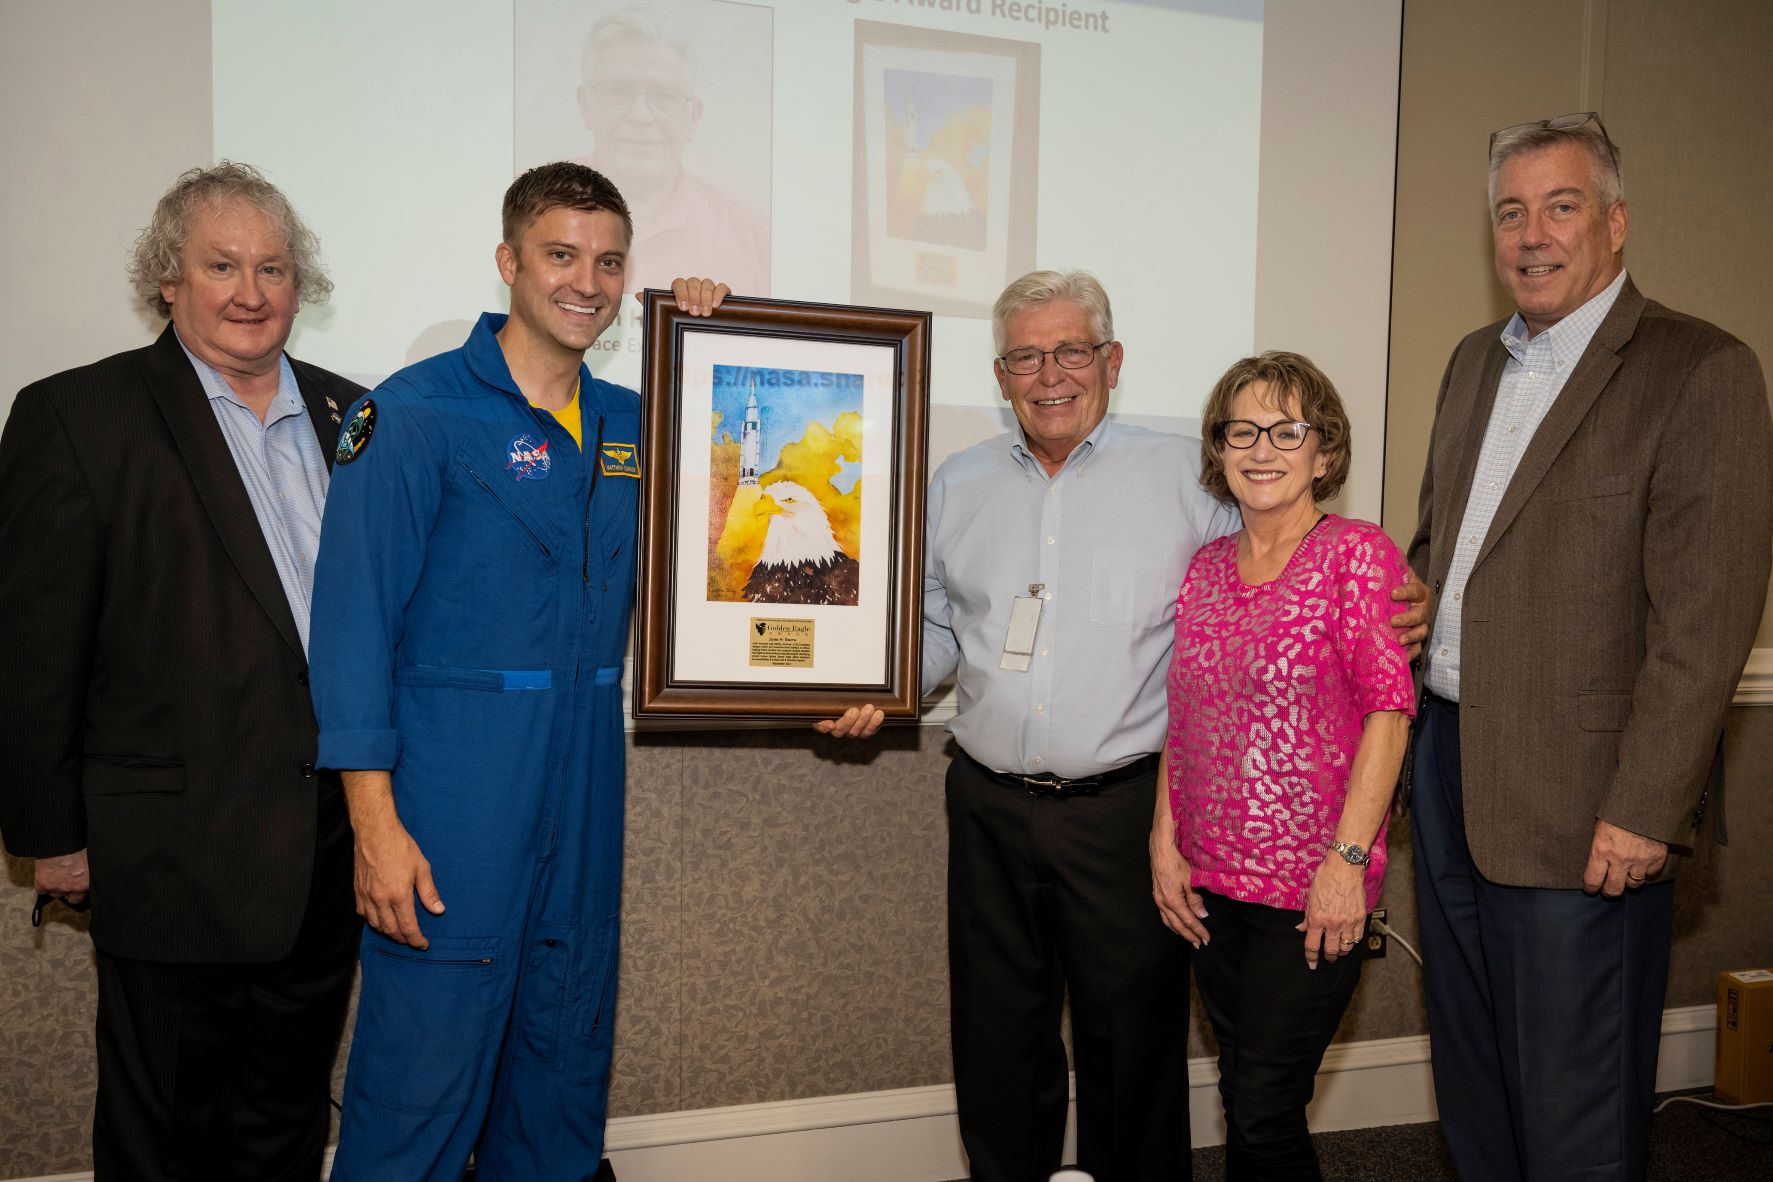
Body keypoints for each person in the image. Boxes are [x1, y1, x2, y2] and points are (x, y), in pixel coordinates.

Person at [822, 271, 1431, 1182]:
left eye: (1071, 350)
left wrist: (1398, 599)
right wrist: (885, 685)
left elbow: (1293, 547)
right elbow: (940, 624)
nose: (1050, 374)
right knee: (997, 1033)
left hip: (1122, 812)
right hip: (986, 802)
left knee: (1130, 1045)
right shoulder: (957, 484)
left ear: (1111, 361)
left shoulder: (1189, 478)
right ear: (999, 373)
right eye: (1026, 355)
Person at [308, 162, 726, 1181]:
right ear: (508, 261)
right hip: (455, 796)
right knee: (421, 1072)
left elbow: (744, 533)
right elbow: (351, 624)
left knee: (562, 1052)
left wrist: (715, 336)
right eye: (560, 255)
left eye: (610, 261)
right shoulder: (411, 414)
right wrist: (374, 825)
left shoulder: (639, 418)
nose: (587, 282)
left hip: (584, 784)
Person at [1408, 112, 1773, 1181]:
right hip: (1448, 770)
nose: (1532, 234)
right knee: (1476, 1090)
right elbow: (1443, 552)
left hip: (1588, 804)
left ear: (1615, 222)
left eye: (1561, 207)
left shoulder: (1699, 369)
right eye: (1510, 213)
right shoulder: (1474, 362)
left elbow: (1704, 620)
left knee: (1574, 1114)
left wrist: (1647, 804)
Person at [0, 163, 362, 1180]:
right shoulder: (78, 417)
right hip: (167, 859)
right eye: (221, 265)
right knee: (162, 1141)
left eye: (275, 267)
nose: (252, 291)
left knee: (284, 1126)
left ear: (301, 283)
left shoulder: (359, 417)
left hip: (325, 857)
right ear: (169, 280)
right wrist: (50, 838)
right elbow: (32, 650)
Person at [1152, 352, 1415, 1181]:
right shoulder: (1202, 571)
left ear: (1323, 452)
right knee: (1248, 1097)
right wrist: (1165, 843)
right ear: (1218, 448)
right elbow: (1183, 720)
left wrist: (1345, 865)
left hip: (1310, 889)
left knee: (1263, 1104)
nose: (1261, 448)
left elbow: (1388, 710)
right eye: (1242, 430)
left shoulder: (1354, 556)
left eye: (1285, 430)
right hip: (1210, 886)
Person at [572, 2, 770, 294]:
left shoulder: (749, 236)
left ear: (693, 117)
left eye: (663, 96)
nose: (640, 116)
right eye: (617, 91)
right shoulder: (535, 211)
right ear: (585, 105)